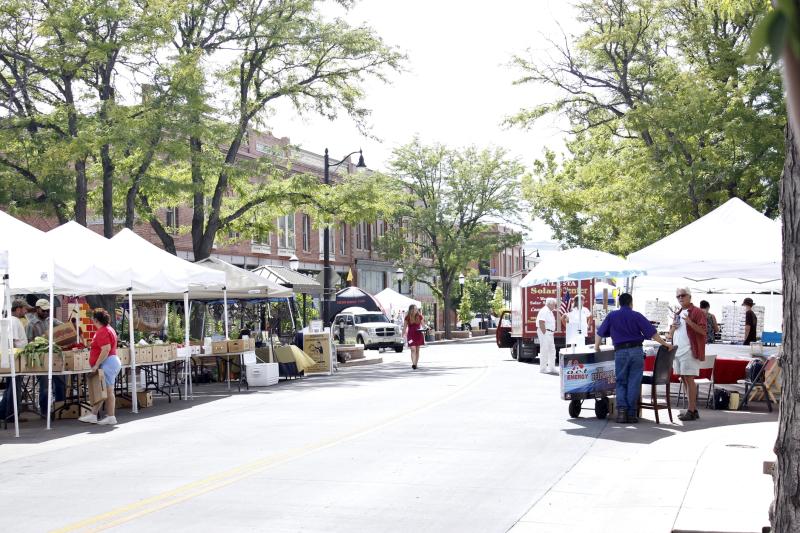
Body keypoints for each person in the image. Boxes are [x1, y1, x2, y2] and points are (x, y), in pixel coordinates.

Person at [595, 292, 672, 423]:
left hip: (620, 352)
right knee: (634, 382)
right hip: (636, 351)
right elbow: (653, 333)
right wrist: (665, 344)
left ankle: (621, 413)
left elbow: (600, 333)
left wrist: (597, 347)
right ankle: (631, 414)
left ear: (619, 303)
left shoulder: (612, 315)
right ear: (631, 303)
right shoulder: (636, 315)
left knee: (621, 382)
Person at [668, 288, 707, 422]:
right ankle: (692, 409)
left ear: (689, 296)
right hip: (678, 351)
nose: (680, 298)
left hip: (690, 350)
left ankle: (691, 410)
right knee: (684, 379)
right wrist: (671, 330)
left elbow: (703, 331)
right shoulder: (678, 312)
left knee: (689, 379)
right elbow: (674, 330)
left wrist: (690, 322)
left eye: (683, 295)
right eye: (677, 296)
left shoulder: (697, 312)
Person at [79, 308, 121, 425]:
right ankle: (93, 415)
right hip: (111, 362)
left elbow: (106, 349)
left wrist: (96, 365)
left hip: (107, 363)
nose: (92, 320)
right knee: (102, 390)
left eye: (93, 318)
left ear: (96, 320)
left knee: (107, 391)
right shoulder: (109, 329)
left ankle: (111, 417)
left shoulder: (102, 331)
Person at [26, 298, 66, 416]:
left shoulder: (51, 320)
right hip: (41, 359)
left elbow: (64, 327)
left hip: (54, 357)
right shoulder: (31, 324)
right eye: (44, 311)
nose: (46, 313)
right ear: (37, 309)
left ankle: (60, 408)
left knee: (60, 383)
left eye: (48, 310)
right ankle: (44, 411)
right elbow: (29, 343)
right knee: (44, 386)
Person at [0, 300, 29, 421]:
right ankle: (11, 415)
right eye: (24, 308)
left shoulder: (12, 320)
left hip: (13, 358)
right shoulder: (14, 321)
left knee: (11, 387)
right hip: (15, 359)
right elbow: (12, 342)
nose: (26, 311)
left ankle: (5, 413)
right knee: (13, 387)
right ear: (18, 309)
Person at [537, 298, 558, 374]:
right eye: (554, 304)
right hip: (545, 333)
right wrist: (544, 333)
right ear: (549, 304)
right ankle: (543, 369)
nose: (554, 306)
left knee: (552, 351)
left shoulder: (550, 312)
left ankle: (552, 368)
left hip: (550, 333)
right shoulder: (544, 311)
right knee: (544, 350)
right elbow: (541, 322)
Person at [402, 304, 425, 370]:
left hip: (418, 334)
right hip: (410, 335)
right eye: (414, 309)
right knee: (413, 349)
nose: (416, 310)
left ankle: (415, 364)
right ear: (411, 310)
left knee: (417, 350)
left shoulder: (420, 316)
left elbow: (423, 325)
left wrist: (427, 328)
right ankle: (413, 364)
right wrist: (403, 334)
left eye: (416, 309)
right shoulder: (407, 317)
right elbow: (404, 327)